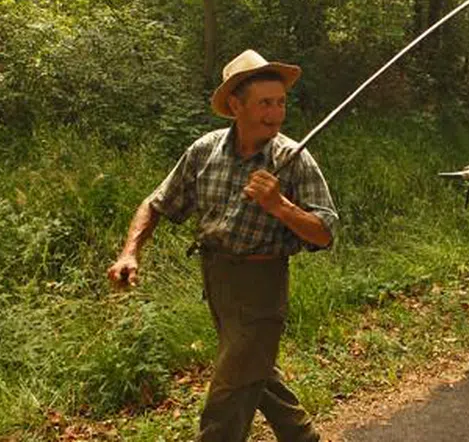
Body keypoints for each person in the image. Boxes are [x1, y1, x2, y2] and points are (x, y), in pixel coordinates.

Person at [106, 49, 338, 442]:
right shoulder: (205, 151)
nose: (276, 114)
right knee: (255, 371)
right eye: (265, 104)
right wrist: (130, 252)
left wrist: (279, 205)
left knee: (229, 392)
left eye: (280, 103)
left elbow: (325, 232)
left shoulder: (293, 159)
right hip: (217, 280)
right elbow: (156, 203)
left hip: (262, 286)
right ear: (235, 106)